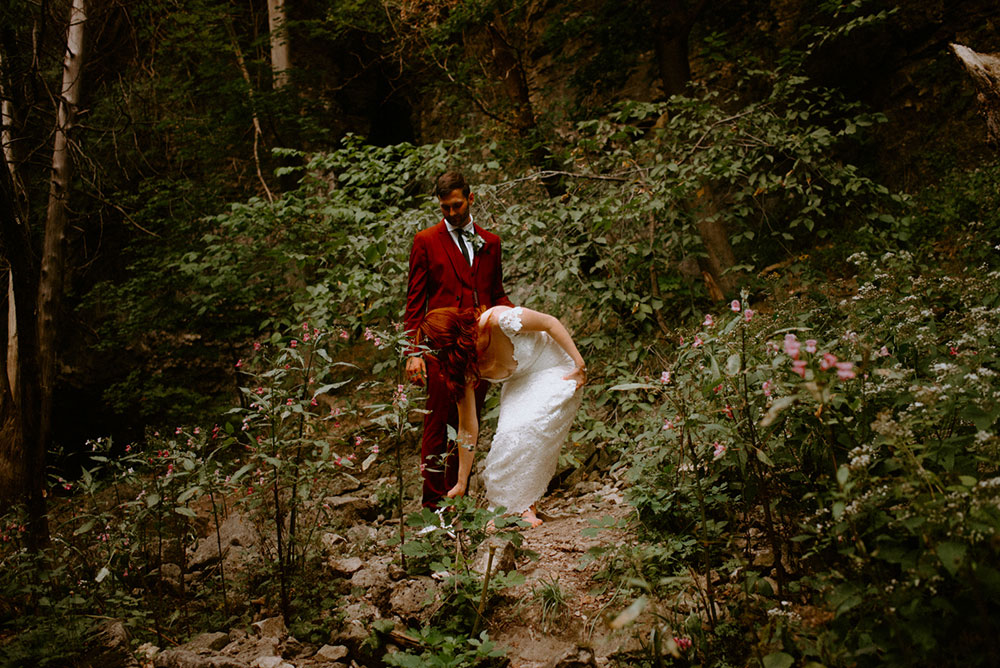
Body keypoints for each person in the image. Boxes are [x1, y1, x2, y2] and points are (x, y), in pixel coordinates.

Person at [418, 305, 586, 527]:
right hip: (521, 382)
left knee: (529, 428)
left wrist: (579, 365)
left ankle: (526, 507)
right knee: (505, 441)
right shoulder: (462, 367)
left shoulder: (497, 321)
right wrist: (461, 483)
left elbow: (549, 322)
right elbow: (467, 429)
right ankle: (514, 509)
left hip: (555, 366)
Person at [404, 172, 514, 508]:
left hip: (479, 349)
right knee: (437, 426)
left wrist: (518, 319)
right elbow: (415, 302)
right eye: (444, 208)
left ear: (470, 198)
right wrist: (414, 352)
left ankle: (458, 501)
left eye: (457, 205)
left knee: (468, 426)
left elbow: (497, 294)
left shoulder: (490, 242)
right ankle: (433, 506)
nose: (451, 214)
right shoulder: (426, 240)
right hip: (440, 347)